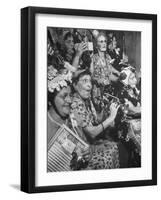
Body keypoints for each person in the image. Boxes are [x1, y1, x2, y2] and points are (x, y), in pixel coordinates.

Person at [71, 70, 120, 169]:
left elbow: (96, 120)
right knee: (109, 153)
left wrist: (107, 110)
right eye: (85, 81)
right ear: (75, 85)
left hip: (90, 144)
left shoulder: (86, 99)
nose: (89, 85)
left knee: (114, 147)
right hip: (83, 150)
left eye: (90, 81)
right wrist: (111, 118)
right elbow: (92, 132)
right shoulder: (75, 103)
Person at [47, 66, 91, 172]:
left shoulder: (73, 117)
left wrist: (87, 153)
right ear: (49, 101)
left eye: (70, 95)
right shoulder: (43, 126)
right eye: (63, 96)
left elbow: (84, 145)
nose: (69, 100)